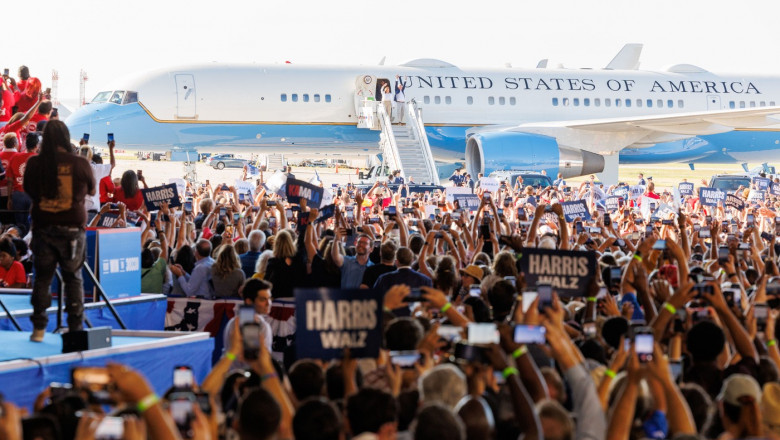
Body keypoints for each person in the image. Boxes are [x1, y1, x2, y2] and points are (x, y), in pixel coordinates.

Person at [23, 120, 94, 341]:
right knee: (73, 278)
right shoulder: (80, 163)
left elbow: (28, 190)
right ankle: (75, 330)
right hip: (73, 231)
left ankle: (39, 330)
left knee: (42, 279)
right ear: (66, 137)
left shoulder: (35, 163)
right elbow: (92, 188)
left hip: (43, 229)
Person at [223, 278, 273, 354]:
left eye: (269, 298)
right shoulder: (256, 324)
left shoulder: (234, 321)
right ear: (249, 301)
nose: (268, 303)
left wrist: (231, 356)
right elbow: (251, 359)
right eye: (263, 299)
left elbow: (230, 355)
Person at [79, 139, 115, 221]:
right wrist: (111, 149)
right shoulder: (95, 169)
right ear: (90, 157)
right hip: (92, 211)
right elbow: (112, 165)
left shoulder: (73, 167)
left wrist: (83, 147)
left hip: (78, 211)